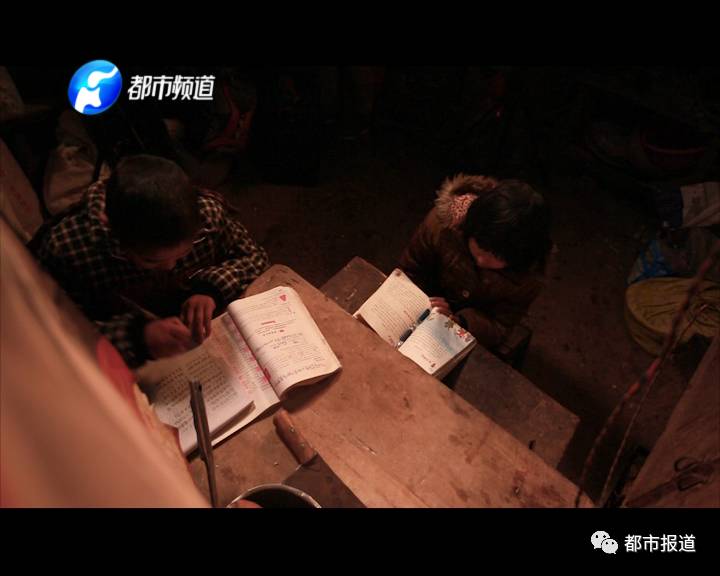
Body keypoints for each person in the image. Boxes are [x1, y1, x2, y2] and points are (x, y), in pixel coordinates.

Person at [35, 154, 270, 368]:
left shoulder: (208, 216)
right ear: (110, 227)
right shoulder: (68, 250)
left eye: (184, 254)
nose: (170, 267)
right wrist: (138, 338)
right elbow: (55, 336)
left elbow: (253, 256)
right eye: (150, 260)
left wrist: (210, 289)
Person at [399, 174, 552, 350]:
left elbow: (500, 326)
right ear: (470, 226)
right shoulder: (444, 224)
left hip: (468, 331)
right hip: (426, 303)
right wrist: (421, 300)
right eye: (480, 245)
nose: (481, 260)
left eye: (498, 257)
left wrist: (461, 322)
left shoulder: (530, 275)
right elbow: (409, 270)